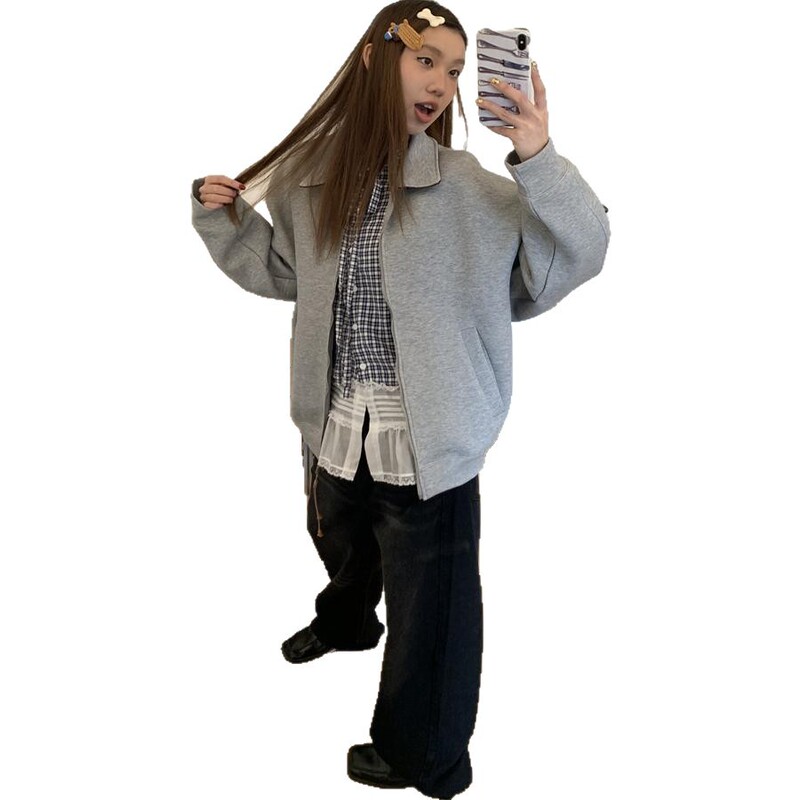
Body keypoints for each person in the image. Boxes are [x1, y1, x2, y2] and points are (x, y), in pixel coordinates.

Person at [190, 2, 609, 798]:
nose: (443, 83)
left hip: (427, 442)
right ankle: (348, 621)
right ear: (376, 59)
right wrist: (225, 220)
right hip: (334, 424)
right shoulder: (312, 181)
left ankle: (430, 756)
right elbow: (285, 275)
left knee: (433, 612)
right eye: (428, 61)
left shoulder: (472, 191)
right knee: (340, 541)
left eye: (455, 69)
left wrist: (537, 153)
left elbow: (579, 253)